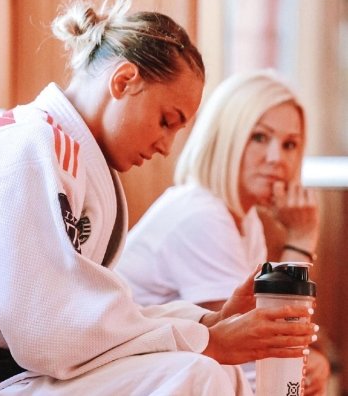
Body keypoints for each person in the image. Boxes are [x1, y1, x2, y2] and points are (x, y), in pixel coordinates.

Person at [0, 0, 317, 396]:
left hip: (6, 376)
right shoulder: (21, 148)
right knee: (199, 373)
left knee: (215, 371)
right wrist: (208, 340)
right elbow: (50, 332)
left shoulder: (68, 159)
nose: (166, 146)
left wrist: (206, 324)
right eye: (166, 121)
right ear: (124, 81)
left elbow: (83, 315)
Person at [116, 69, 330, 395]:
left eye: (289, 145)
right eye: (259, 137)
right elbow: (250, 359)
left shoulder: (244, 220)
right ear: (226, 138)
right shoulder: (202, 216)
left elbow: (270, 347)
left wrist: (311, 361)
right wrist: (301, 238)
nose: (277, 159)